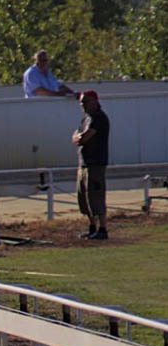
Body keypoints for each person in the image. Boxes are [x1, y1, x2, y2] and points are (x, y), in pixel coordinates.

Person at [72, 90, 110, 239]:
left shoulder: (98, 118)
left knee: (96, 196)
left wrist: (78, 138)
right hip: (84, 163)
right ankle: (92, 227)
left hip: (95, 163)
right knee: (84, 197)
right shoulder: (86, 119)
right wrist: (77, 137)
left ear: (94, 101)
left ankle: (103, 229)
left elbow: (83, 138)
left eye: (85, 101)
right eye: (81, 102)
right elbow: (75, 135)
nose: (82, 105)